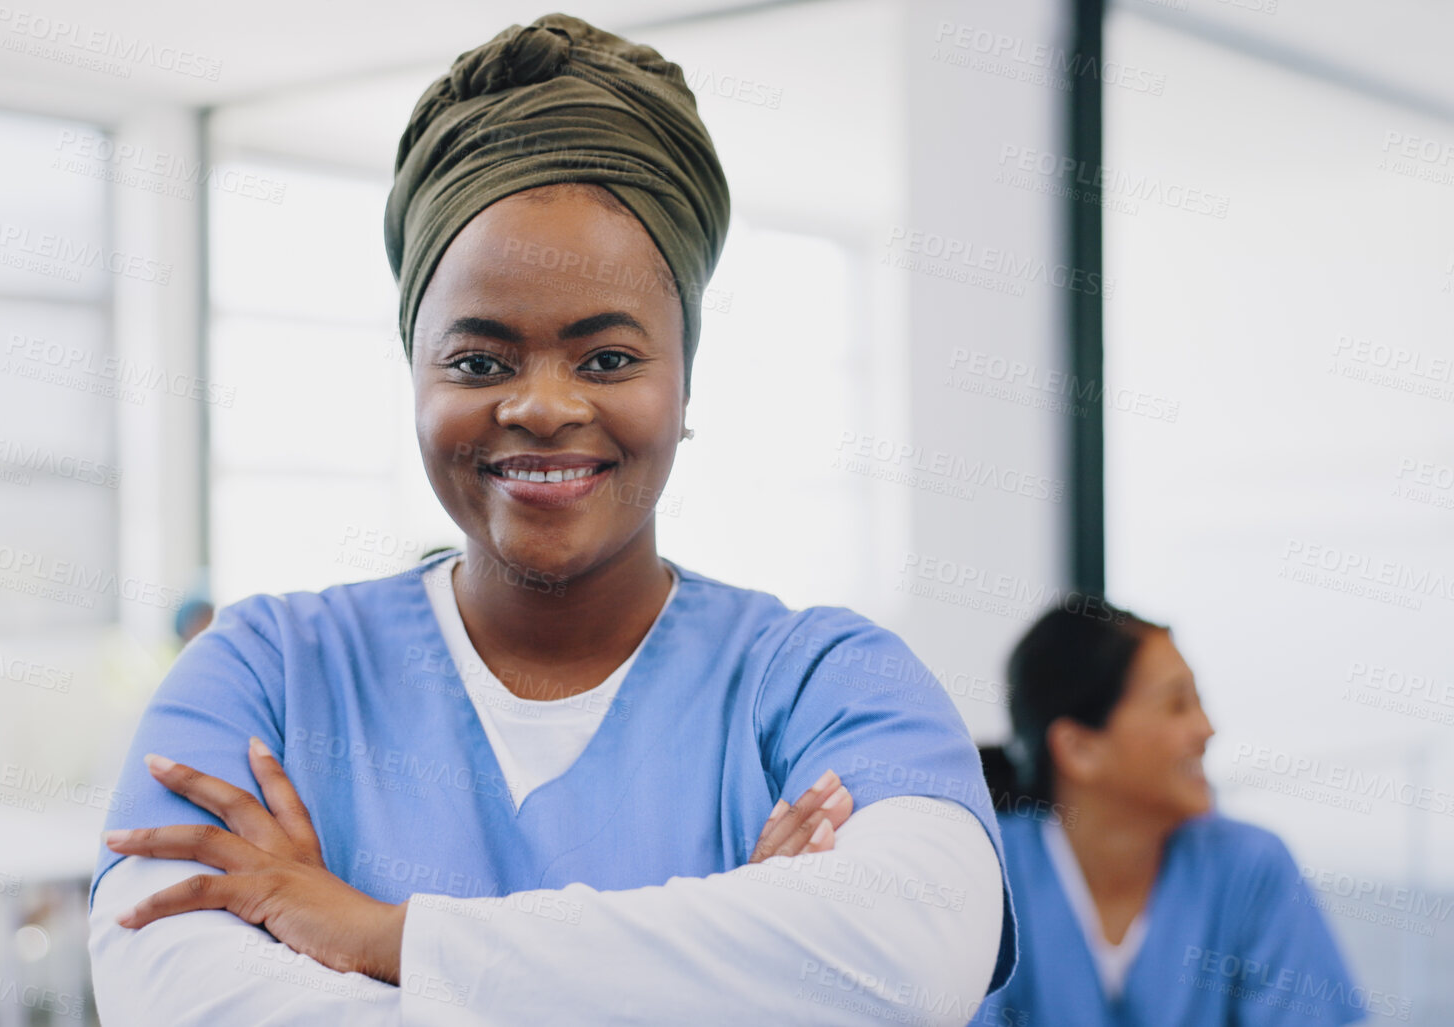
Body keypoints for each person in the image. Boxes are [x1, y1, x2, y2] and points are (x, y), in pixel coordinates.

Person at [86, 14, 1016, 1024]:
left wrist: (383, 938)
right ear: (415, 376)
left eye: (608, 358)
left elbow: (910, 961)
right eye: (479, 361)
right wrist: (733, 971)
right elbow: (177, 994)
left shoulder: (836, 685)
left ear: (686, 379)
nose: (543, 404)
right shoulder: (260, 677)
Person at [975, 600, 1367, 1026]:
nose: (1206, 729)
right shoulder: (988, 873)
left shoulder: (1251, 869)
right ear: (1079, 748)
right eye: (1178, 704)